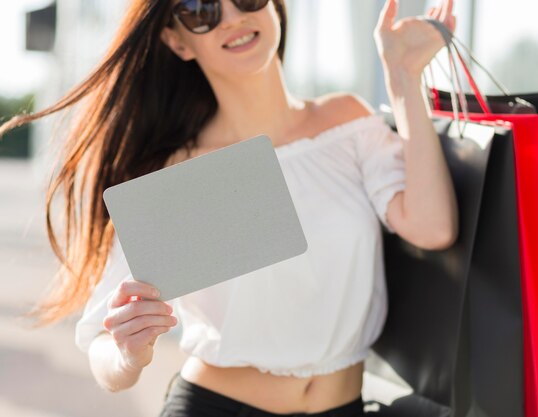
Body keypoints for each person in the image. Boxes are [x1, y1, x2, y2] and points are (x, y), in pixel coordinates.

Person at [0, 0, 458, 415]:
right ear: (177, 41)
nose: (234, 17)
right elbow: (102, 343)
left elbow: (432, 227)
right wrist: (128, 353)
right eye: (201, 10)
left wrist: (403, 79)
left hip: (344, 407)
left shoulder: (345, 123)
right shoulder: (182, 172)